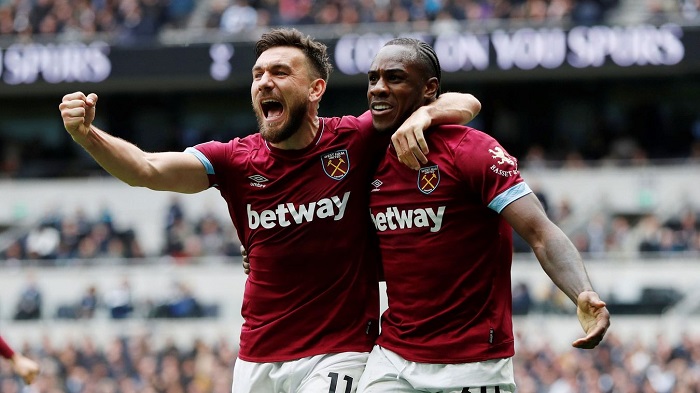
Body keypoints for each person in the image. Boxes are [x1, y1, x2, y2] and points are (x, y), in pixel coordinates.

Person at [59, 28, 480, 393]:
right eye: (257, 74)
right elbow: (146, 169)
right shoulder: (234, 160)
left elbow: (466, 102)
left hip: (340, 352)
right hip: (257, 356)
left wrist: (422, 115)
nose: (264, 82)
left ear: (316, 89)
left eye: (280, 73)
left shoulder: (356, 137)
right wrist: (88, 135)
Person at [359, 38, 610, 392]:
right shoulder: (366, 153)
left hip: (474, 363)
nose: (379, 89)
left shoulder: (471, 149)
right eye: (373, 79)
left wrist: (582, 291)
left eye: (395, 78)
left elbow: (540, 231)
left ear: (429, 89)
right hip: (393, 357)